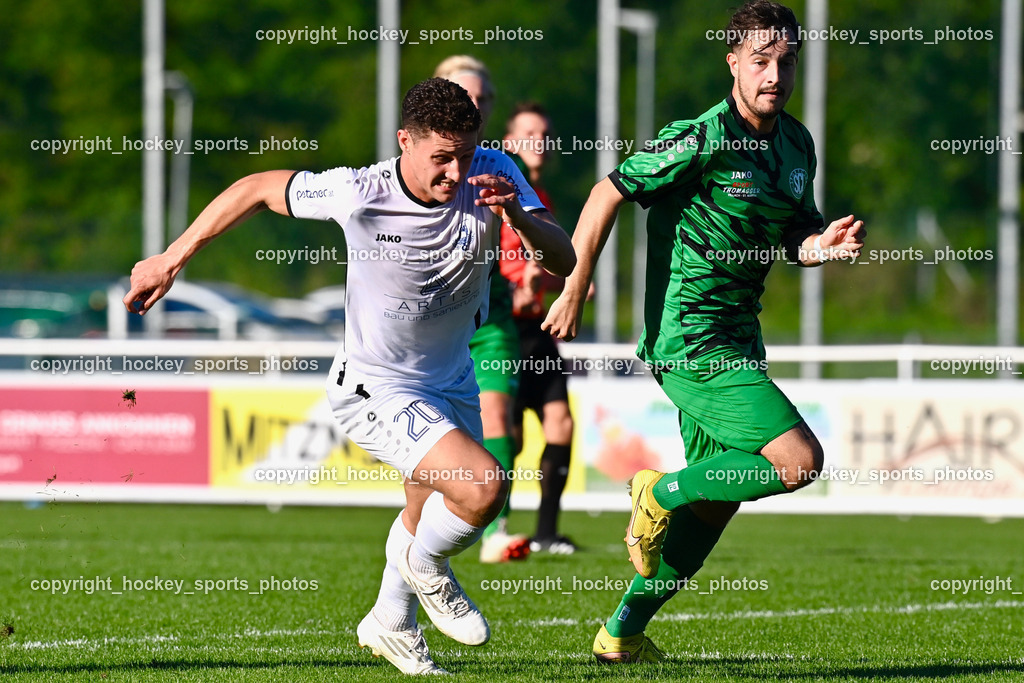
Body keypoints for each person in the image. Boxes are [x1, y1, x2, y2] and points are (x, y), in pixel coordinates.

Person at [123, 78, 575, 675]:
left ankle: (391, 621)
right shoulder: (360, 190)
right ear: (404, 142)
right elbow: (256, 188)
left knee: (424, 508)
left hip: (451, 375)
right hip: (376, 388)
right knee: (484, 487)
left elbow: (563, 259)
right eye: (440, 157)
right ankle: (429, 569)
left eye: (463, 154)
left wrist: (516, 212)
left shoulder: (493, 172)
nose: (454, 172)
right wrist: (171, 256)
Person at [543, 0, 865, 663]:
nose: (775, 75)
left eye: (786, 61)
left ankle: (620, 632)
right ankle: (653, 489)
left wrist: (818, 241)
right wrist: (574, 282)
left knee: (712, 508)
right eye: (761, 61)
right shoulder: (701, 137)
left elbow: (790, 235)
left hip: (740, 339)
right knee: (799, 461)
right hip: (689, 338)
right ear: (733, 63)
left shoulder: (797, 144)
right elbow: (608, 192)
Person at [434, 55, 531, 564]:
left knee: (498, 419)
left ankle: (498, 528)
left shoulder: (500, 168)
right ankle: (428, 538)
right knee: (435, 433)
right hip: (428, 325)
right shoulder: (412, 166)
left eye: (483, 98)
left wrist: (552, 273)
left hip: (489, 320)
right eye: (462, 93)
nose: (474, 104)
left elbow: (538, 246)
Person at [499, 103, 578, 554]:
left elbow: (551, 269)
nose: (541, 142)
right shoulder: (490, 192)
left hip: (538, 331)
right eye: (530, 133)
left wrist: (565, 285)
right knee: (509, 435)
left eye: (545, 134)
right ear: (508, 143)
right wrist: (514, 288)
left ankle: (547, 533)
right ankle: (495, 528)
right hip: (502, 330)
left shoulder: (538, 197)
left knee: (561, 424)